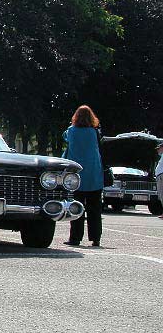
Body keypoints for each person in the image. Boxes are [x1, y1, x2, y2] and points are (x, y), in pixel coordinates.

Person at [63, 105, 104, 247]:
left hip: (77, 175)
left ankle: (75, 238)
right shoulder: (94, 132)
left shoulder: (71, 131)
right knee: (95, 209)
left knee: (76, 208)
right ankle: (95, 238)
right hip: (94, 175)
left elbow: (65, 139)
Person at [155, 142, 163, 219]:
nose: (158, 150)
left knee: (162, 194)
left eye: (159, 148)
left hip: (161, 176)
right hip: (160, 176)